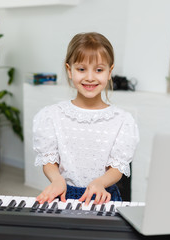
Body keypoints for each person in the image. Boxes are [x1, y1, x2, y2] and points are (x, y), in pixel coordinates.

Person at [33, 32, 139, 206]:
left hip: (103, 198)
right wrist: (57, 179)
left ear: (109, 72)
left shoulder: (122, 121)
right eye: (81, 69)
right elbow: (49, 160)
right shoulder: (51, 116)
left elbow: (117, 168)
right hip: (64, 195)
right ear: (69, 70)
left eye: (99, 70)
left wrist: (100, 182)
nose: (90, 77)